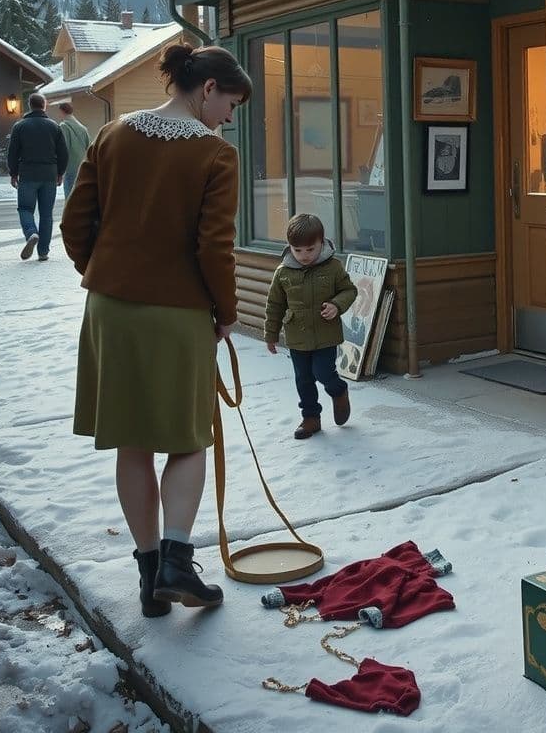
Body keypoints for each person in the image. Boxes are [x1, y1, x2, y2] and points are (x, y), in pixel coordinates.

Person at [61, 44, 251, 618]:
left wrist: (105, 271)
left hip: (111, 310)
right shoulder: (216, 155)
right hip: (178, 313)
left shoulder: (112, 134)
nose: (230, 117)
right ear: (209, 88)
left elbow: (74, 222)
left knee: (133, 441)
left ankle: (149, 577)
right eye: (232, 104)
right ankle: (176, 562)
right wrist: (225, 311)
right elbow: (213, 246)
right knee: (189, 439)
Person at [264, 213, 358, 440]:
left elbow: (349, 291)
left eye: (310, 250)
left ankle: (338, 390)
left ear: (322, 243)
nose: (304, 256)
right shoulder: (283, 272)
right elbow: (275, 304)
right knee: (303, 378)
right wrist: (271, 334)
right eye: (298, 251)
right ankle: (311, 418)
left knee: (323, 372)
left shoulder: (333, 267)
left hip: (326, 335)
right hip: (298, 336)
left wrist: (336, 305)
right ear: (290, 247)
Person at [7, 92, 68, 262]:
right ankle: (43, 251)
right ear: (44, 105)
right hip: (49, 174)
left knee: (25, 209)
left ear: (30, 106)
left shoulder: (19, 127)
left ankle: (31, 233)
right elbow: (63, 153)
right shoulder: (54, 127)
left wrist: (13, 172)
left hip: (27, 174)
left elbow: (12, 152)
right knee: (46, 214)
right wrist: (60, 173)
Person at [56, 102, 91, 198]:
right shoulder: (83, 128)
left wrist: (59, 170)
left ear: (62, 111)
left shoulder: (63, 126)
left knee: (70, 197)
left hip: (70, 166)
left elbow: (63, 148)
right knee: (80, 196)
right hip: (82, 166)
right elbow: (89, 147)